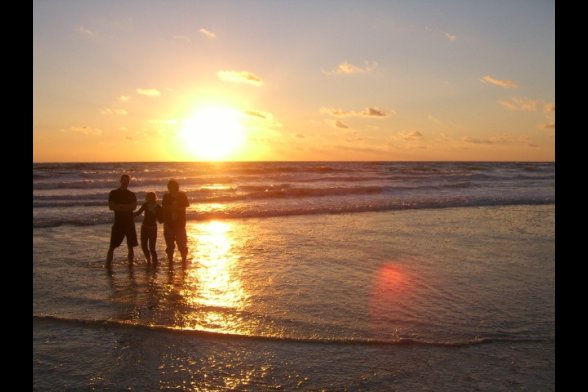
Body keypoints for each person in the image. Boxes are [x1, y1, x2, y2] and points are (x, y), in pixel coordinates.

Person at [106, 174, 138, 269]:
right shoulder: (114, 193)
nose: (125, 182)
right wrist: (126, 207)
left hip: (129, 223)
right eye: (123, 180)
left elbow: (134, 207)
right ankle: (107, 265)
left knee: (131, 246)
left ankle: (131, 265)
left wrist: (120, 206)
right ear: (120, 181)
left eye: (127, 181)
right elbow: (111, 206)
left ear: (129, 182)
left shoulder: (132, 194)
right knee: (112, 246)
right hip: (118, 223)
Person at [162, 179, 190, 264]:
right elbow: (164, 208)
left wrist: (174, 208)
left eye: (172, 187)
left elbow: (185, 206)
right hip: (168, 224)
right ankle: (170, 261)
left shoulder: (182, 195)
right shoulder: (166, 196)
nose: (170, 189)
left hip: (180, 224)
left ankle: (184, 260)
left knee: (182, 244)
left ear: (176, 187)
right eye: (169, 187)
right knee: (169, 246)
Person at [134, 192, 163, 264]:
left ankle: (155, 262)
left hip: (153, 228)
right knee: (144, 246)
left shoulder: (158, 207)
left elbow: (161, 220)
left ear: (154, 198)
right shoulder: (145, 205)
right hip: (144, 227)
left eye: (150, 198)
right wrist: (130, 215)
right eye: (147, 198)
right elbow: (138, 212)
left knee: (152, 248)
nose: (148, 199)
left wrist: (155, 214)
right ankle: (148, 260)